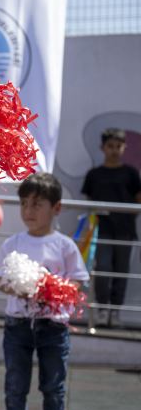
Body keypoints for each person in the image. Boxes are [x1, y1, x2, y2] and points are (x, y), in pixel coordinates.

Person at [0, 173, 88, 410]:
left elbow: (79, 281)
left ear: (56, 208)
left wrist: (53, 290)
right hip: (18, 325)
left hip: (53, 327)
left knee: (53, 384)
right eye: (24, 204)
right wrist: (15, 287)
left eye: (37, 204)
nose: (29, 211)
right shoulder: (12, 243)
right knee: (15, 383)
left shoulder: (65, 246)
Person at [81, 128, 141, 327]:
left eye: (118, 146)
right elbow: (89, 203)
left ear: (124, 148)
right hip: (101, 231)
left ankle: (115, 313)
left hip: (124, 231)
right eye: (110, 146)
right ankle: (102, 310)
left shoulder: (131, 174)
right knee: (103, 269)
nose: (114, 150)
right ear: (102, 148)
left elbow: (138, 202)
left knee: (121, 272)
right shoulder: (94, 174)